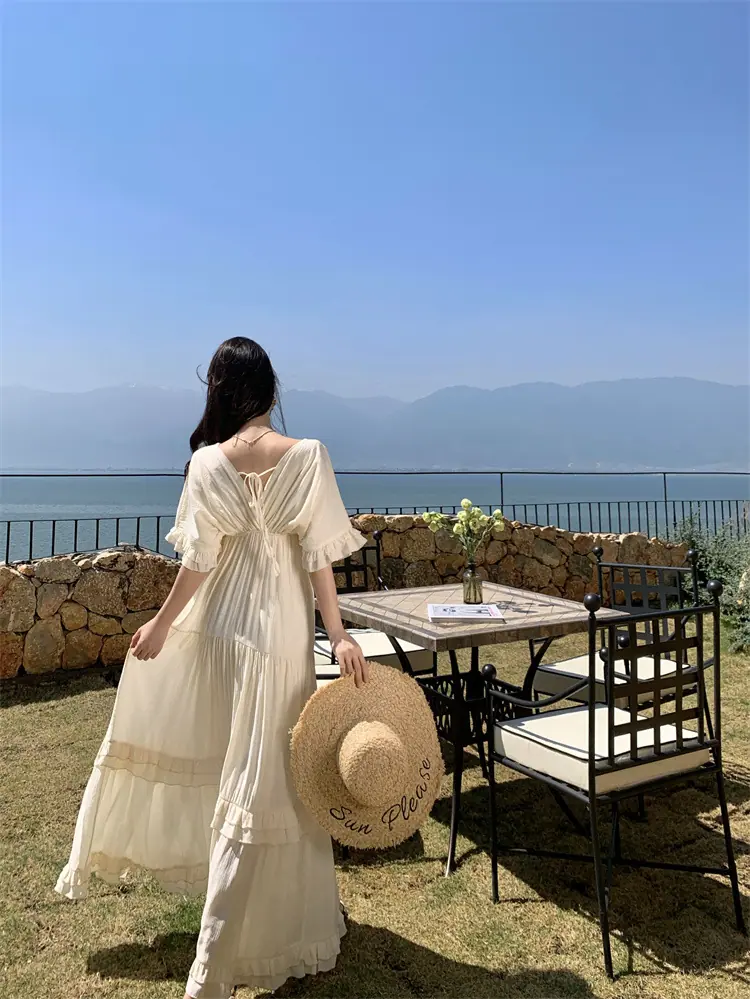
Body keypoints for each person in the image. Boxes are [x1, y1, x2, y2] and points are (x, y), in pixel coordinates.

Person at [56, 337, 371, 999]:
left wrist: (163, 624)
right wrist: (338, 634)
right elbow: (318, 557)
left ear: (220, 390)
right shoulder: (308, 455)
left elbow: (198, 562)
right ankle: (217, 959)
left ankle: (268, 928)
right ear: (271, 388)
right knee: (268, 779)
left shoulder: (206, 463)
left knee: (251, 775)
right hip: (279, 638)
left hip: (221, 633)